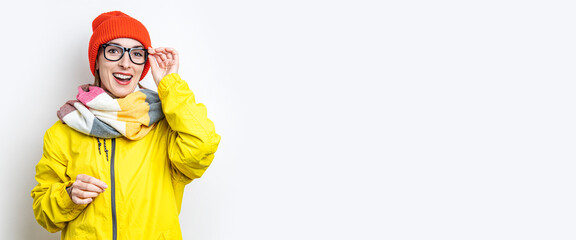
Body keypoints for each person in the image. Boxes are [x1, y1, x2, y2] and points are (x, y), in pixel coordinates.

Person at [31, 11, 220, 240]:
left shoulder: (166, 128)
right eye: (113, 51)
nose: (125, 63)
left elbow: (203, 146)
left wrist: (169, 84)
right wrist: (68, 195)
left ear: (144, 64)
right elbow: (44, 214)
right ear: (97, 62)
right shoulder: (63, 132)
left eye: (136, 54)